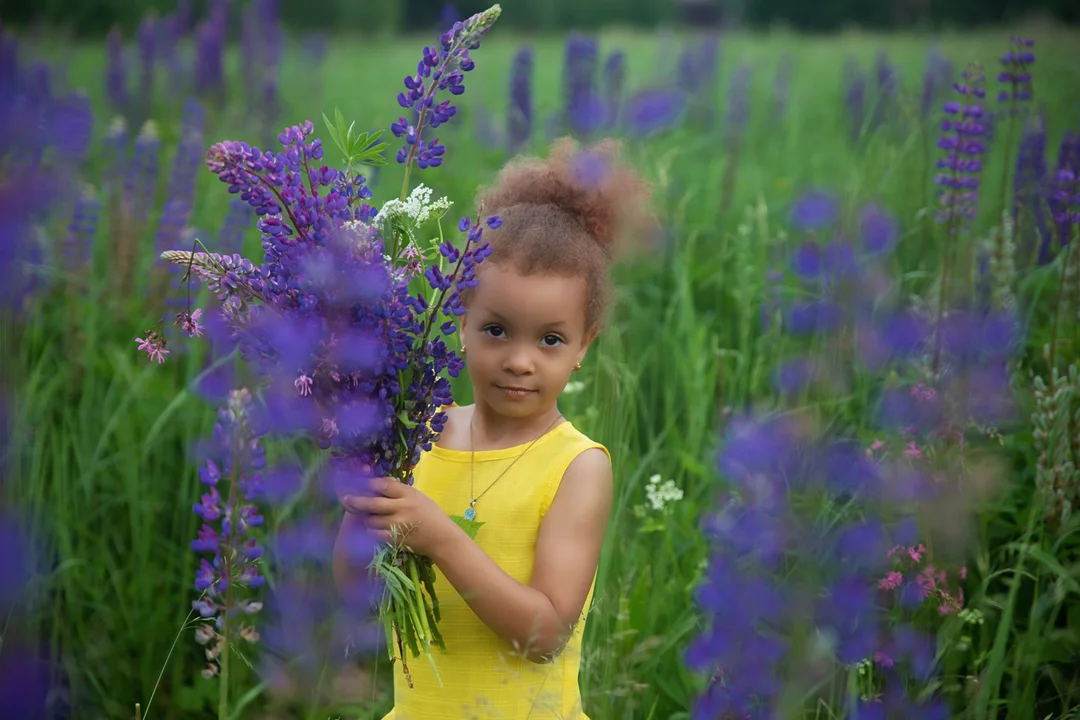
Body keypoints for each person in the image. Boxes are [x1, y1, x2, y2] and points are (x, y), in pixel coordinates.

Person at [333, 137, 654, 719]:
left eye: (550, 339)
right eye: (497, 330)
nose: (520, 360)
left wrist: (442, 538)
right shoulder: (419, 434)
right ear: (460, 323)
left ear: (584, 346)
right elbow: (352, 592)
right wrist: (359, 514)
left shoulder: (579, 467)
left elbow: (545, 635)